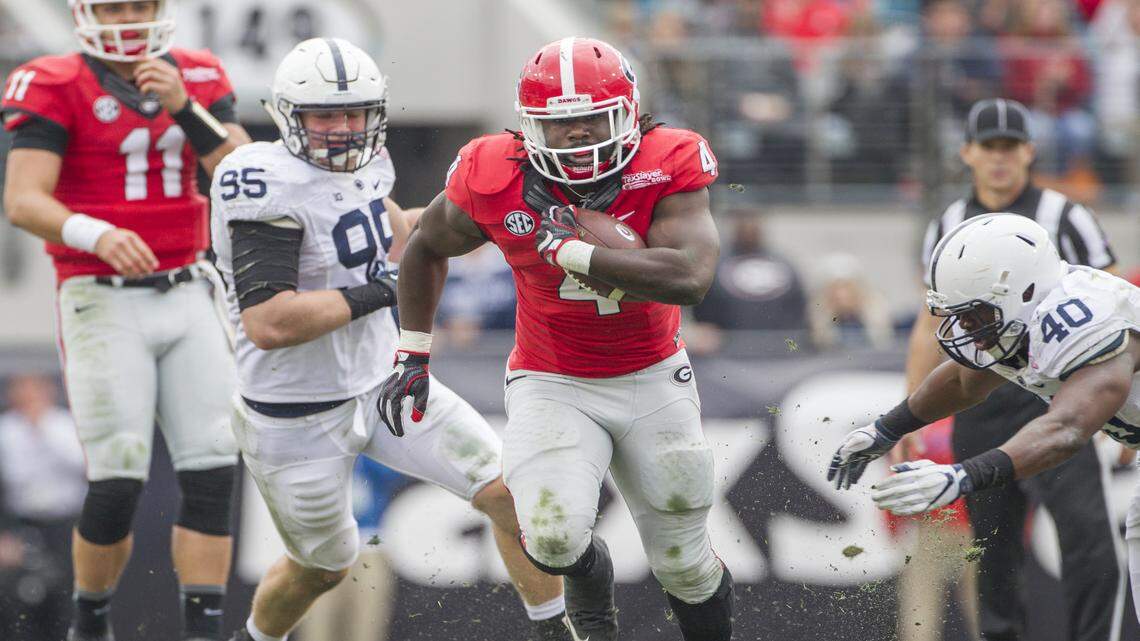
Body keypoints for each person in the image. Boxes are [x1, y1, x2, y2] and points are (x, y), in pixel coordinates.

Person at [209, 38, 567, 641]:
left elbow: (381, 227)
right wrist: (385, 288)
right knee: (321, 569)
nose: (344, 129)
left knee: (512, 493)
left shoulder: (371, 162)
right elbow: (269, 322)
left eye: (355, 114)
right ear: (287, 116)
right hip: (295, 412)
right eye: (325, 114)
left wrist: (474, 210)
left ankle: (561, 633)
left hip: (382, 383)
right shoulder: (261, 182)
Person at [378, 36, 734, 641]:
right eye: (560, 123)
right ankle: (595, 621)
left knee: (684, 561)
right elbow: (426, 244)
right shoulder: (493, 172)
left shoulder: (668, 160)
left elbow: (690, 277)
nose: (578, 136)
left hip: (651, 374)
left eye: (592, 118)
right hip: (552, 377)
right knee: (549, 535)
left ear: (628, 112)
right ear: (528, 126)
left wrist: (577, 252)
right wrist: (412, 349)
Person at [1, 2, 251, 640]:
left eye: (140, 3)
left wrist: (183, 108)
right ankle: (92, 620)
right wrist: (94, 231)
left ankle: (205, 629)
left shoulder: (194, 73)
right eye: (115, 3)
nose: (130, 16)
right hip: (100, 294)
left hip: (187, 285)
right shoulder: (54, 80)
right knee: (117, 479)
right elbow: (23, 199)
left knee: (213, 470)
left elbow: (247, 175)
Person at [828, 214, 1135, 633]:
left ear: (1023, 290)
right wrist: (887, 429)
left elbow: (1067, 429)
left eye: (973, 316)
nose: (966, 331)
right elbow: (962, 378)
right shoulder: (1028, 313)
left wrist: (963, 476)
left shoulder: (1084, 321)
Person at [898, 97, 1121, 641]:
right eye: (989, 147)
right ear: (967, 152)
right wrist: (909, 416)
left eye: (1009, 147)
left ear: (1029, 151)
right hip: (982, 401)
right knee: (993, 556)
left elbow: (1115, 305)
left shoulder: (1065, 216)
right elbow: (931, 327)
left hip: (1056, 400)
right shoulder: (948, 223)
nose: (999, 159)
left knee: (1086, 540)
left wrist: (1122, 403)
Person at [0, 374, 86, 641]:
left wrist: (42, 428)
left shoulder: (66, 425)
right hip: (21, 525)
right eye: (21, 387)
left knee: (66, 602)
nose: (28, 395)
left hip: (67, 526)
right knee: (17, 603)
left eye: (35, 387)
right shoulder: (6, 430)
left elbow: (84, 468)